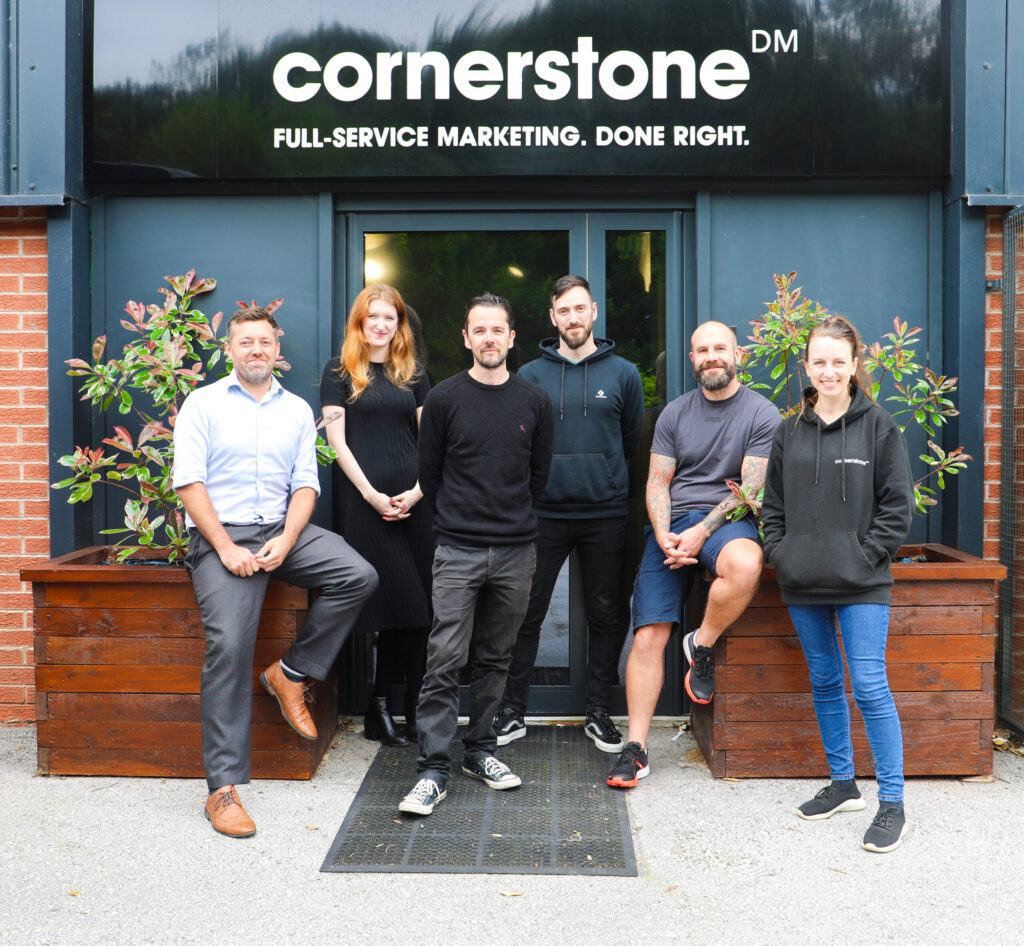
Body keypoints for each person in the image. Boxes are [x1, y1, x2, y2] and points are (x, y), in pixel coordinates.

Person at [174, 305, 377, 838]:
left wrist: (288, 541)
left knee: (357, 575)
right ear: (230, 349)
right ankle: (222, 789)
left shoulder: (295, 410)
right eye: (246, 343)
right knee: (230, 647)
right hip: (223, 536)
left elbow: (305, 485)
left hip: (282, 531)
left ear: (276, 348)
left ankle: (289, 673)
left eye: (264, 342)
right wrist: (224, 548)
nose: (256, 350)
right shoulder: (203, 403)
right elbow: (189, 483)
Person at [760, 315, 913, 853]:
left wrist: (866, 554)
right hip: (803, 580)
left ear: (854, 366)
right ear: (806, 365)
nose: (828, 370)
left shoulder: (878, 426)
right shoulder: (788, 431)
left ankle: (891, 803)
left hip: (862, 581)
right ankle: (844, 784)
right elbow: (771, 507)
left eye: (838, 361)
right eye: (818, 361)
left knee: (870, 686)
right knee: (825, 683)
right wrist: (781, 554)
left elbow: (898, 506)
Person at [398, 292, 554, 816]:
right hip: (458, 549)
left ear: (512, 337)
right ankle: (433, 769)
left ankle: (480, 751)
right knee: (444, 658)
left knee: (496, 658)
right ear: (466, 338)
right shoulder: (443, 399)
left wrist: (505, 521)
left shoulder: (535, 402)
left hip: (516, 551)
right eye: (479, 330)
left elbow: (538, 477)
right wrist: (463, 522)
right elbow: (431, 475)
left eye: (498, 330)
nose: (489, 338)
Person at [607, 320, 780, 788]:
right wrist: (664, 533)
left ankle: (700, 644)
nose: (711, 357)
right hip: (673, 528)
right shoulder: (674, 414)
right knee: (647, 636)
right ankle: (637, 748)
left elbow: (751, 489)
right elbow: (657, 482)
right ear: (692, 360)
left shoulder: (763, 414)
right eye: (702, 350)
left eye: (719, 348)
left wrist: (702, 532)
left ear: (738, 354)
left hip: (728, 521)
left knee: (745, 565)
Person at [493, 275, 644, 753]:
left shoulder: (624, 373)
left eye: (581, 309)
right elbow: (521, 446)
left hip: (605, 512)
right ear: (553, 317)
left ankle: (598, 710)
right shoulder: (531, 376)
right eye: (564, 311)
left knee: (605, 613)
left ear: (593, 312)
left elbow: (630, 440)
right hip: (543, 514)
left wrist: (602, 477)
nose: (573, 318)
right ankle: (512, 709)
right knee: (526, 611)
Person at [320, 284, 432, 747]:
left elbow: (433, 442)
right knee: (395, 606)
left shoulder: (414, 372)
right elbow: (336, 442)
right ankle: (387, 708)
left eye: (391, 317)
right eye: (374, 318)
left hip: (415, 504)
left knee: (415, 611)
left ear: (399, 323)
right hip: (366, 505)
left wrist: (418, 492)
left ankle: (394, 708)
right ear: (359, 324)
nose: (382, 325)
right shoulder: (339, 372)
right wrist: (371, 495)